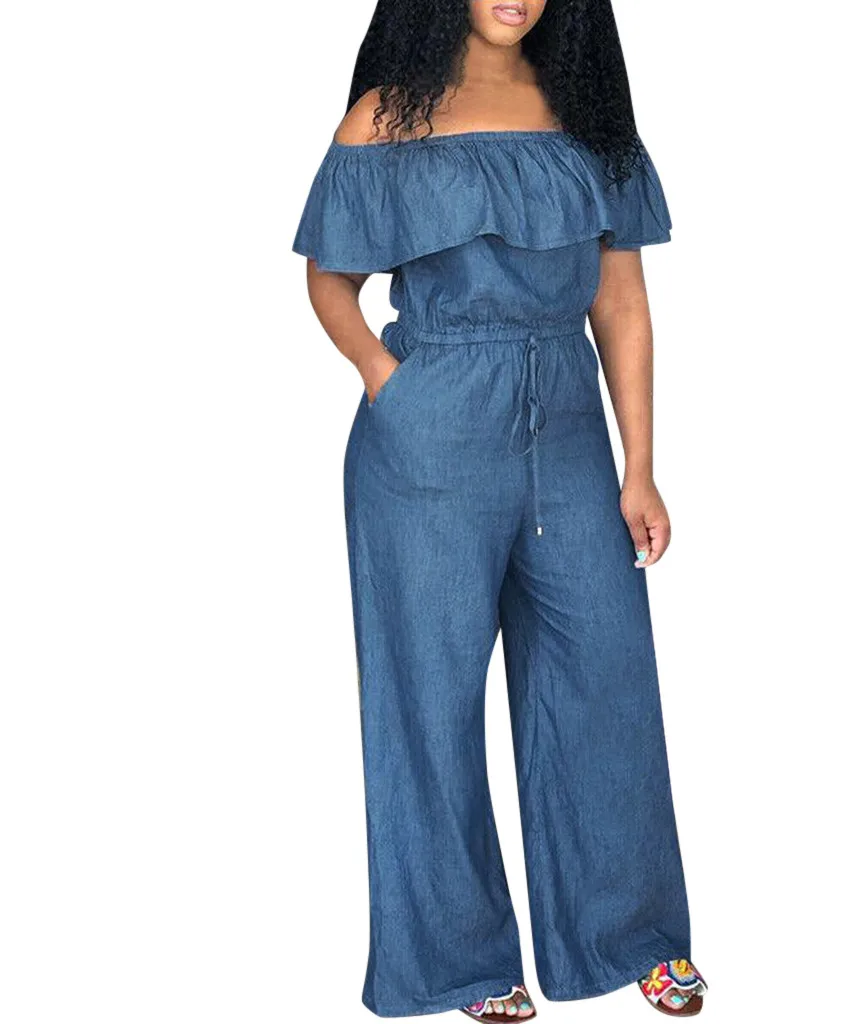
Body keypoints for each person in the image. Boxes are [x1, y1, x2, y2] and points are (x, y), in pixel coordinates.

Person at [293, 1, 707, 1018]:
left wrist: (640, 467)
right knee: (427, 706)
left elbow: (621, 301)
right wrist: (388, 380)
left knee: (605, 679)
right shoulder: (386, 115)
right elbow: (330, 280)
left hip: (568, 426)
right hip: (429, 433)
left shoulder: (586, 113)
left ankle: (632, 937)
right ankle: (461, 965)